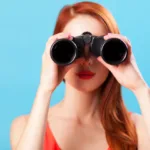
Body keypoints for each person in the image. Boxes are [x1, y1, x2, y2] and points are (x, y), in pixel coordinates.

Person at [10, 1, 150, 150]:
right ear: (55, 53)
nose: (86, 61)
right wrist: (44, 89)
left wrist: (141, 89)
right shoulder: (24, 126)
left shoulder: (138, 128)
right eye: (72, 49)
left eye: (98, 49)